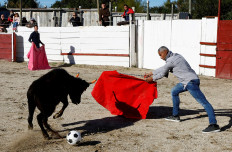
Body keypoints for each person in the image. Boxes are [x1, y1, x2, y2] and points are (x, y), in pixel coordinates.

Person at [144, 46, 220, 133]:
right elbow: (164, 68)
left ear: (165, 52)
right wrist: (151, 73)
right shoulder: (176, 56)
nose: (160, 57)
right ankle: (175, 116)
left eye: (160, 55)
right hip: (189, 81)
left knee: (204, 103)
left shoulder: (170, 60)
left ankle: (214, 125)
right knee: (174, 91)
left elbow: (163, 73)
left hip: (190, 82)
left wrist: (152, 78)